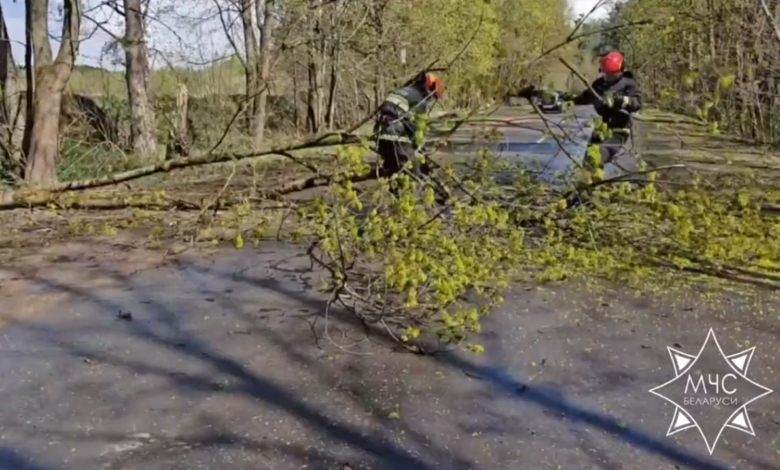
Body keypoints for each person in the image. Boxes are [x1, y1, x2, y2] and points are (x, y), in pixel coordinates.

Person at [518, 52, 643, 168]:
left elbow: (637, 103)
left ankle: (595, 186)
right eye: (606, 74)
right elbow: (581, 99)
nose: (608, 77)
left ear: (620, 71)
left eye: (612, 74)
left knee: (600, 155)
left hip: (618, 130)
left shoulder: (628, 84)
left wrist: (618, 100)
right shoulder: (599, 84)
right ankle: (589, 187)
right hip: (601, 128)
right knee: (588, 162)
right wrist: (546, 95)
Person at [374, 72, 443, 192]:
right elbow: (418, 127)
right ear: (429, 89)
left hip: (381, 133)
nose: (431, 100)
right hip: (397, 135)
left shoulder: (403, 91)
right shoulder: (421, 100)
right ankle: (409, 199)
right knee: (409, 169)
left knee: (391, 169)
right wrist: (419, 146)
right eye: (432, 97)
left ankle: (393, 201)